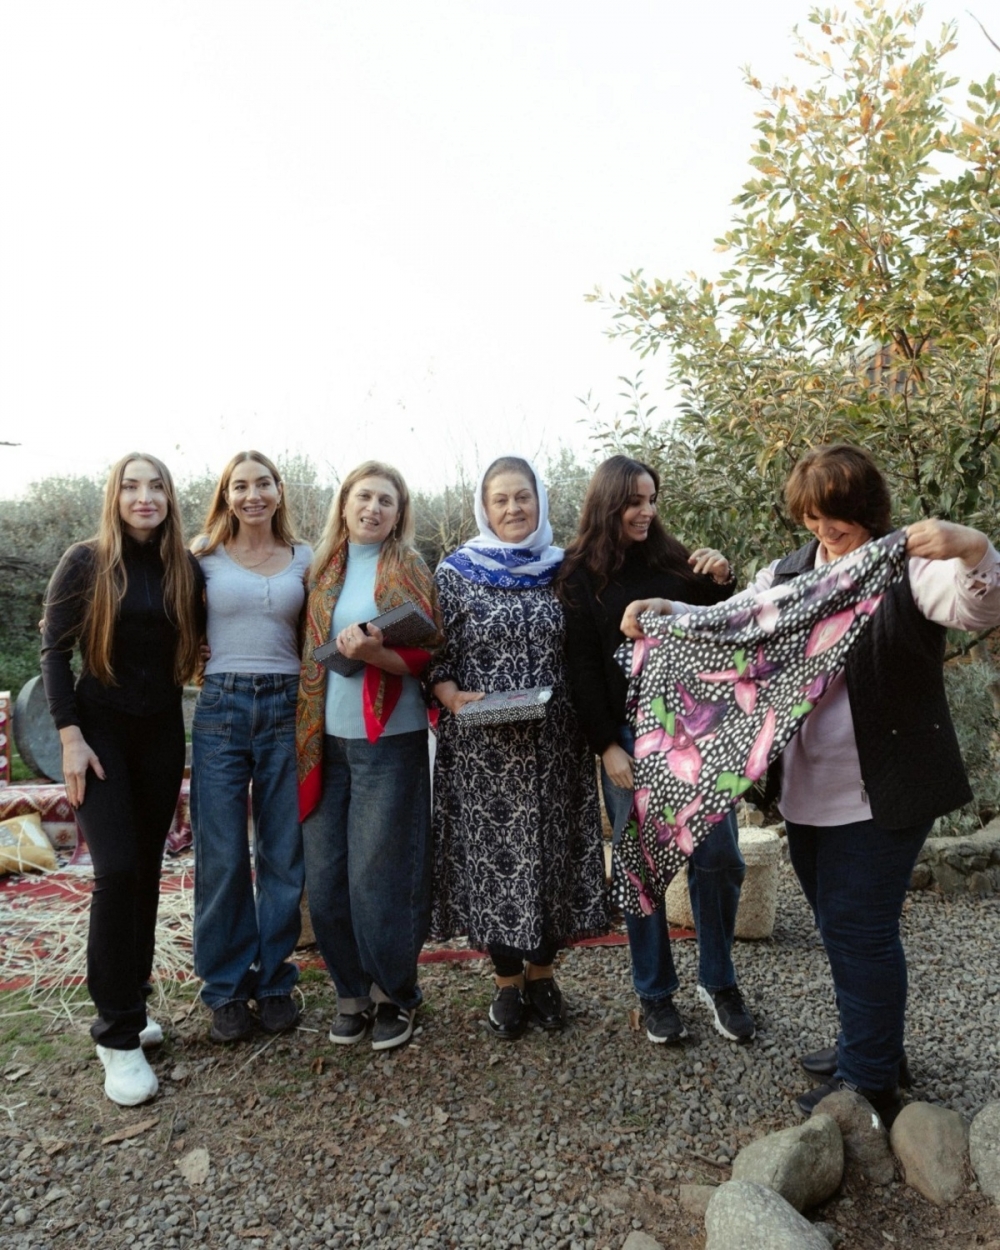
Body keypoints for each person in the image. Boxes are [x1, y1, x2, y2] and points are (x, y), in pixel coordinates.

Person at [621, 444, 1000, 1124]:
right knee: (840, 927)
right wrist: (666, 611)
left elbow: (979, 607)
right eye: (813, 515)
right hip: (808, 793)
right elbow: (731, 624)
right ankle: (872, 1047)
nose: (826, 527)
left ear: (868, 509)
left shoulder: (908, 567)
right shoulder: (788, 574)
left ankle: (869, 1083)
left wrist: (972, 547)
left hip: (884, 791)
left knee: (860, 929)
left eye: (839, 514)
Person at [556, 455, 755, 1046]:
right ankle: (655, 992)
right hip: (627, 738)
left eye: (651, 499)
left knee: (718, 856)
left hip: (696, 735)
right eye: (634, 502)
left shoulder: (674, 560)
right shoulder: (577, 577)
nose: (646, 511)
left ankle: (718, 980)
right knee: (640, 868)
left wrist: (722, 577)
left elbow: (720, 626)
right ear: (608, 504)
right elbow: (581, 668)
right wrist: (605, 747)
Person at [40, 453, 202, 1106]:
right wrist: (70, 737)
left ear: (169, 497)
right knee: (116, 870)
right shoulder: (85, 561)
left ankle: (131, 1004)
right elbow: (54, 650)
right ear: (115, 495)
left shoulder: (183, 566)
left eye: (156, 486)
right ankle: (114, 1035)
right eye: (132, 486)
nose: (144, 497)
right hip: (99, 732)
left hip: (160, 732)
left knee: (146, 870)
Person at [429, 455, 607, 1040]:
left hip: (557, 744)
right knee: (494, 862)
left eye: (523, 497)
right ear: (485, 508)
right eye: (500, 499)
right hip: (483, 749)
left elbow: (590, 645)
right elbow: (436, 655)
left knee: (554, 853)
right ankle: (507, 982)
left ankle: (544, 975)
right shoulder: (455, 572)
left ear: (540, 501)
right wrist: (450, 695)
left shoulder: (567, 570)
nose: (513, 508)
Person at [296, 461, 440, 1052]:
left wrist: (375, 652)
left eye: (386, 500)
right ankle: (350, 992)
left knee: (380, 877)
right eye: (364, 497)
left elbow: (430, 651)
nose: (373, 508)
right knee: (327, 876)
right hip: (323, 741)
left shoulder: (408, 566)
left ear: (399, 513)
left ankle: (394, 994)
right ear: (345, 503)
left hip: (390, 742)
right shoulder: (320, 569)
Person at [190, 451, 312, 1042]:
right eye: (240, 486)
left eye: (263, 483)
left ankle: (275, 980)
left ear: (279, 491)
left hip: (287, 704)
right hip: (221, 705)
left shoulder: (305, 557)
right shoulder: (201, 556)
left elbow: (318, 626)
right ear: (227, 496)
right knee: (222, 852)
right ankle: (226, 988)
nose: (253, 495)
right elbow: (169, 616)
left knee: (283, 850)